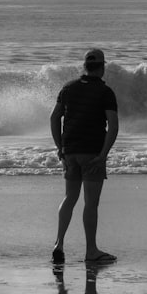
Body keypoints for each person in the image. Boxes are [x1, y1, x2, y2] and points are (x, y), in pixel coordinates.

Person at [50, 48, 120, 264]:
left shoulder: (68, 88)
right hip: (91, 152)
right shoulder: (105, 92)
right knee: (91, 203)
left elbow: (54, 118)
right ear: (102, 66)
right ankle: (91, 251)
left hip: (70, 150)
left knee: (69, 198)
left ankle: (58, 243)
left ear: (85, 66)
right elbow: (113, 126)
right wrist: (103, 154)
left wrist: (60, 147)